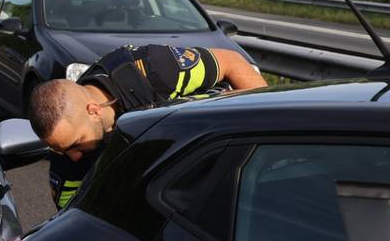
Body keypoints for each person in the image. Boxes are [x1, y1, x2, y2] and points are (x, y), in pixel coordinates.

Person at [29, 45, 267, 209]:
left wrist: (264, 135)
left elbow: (232, 62)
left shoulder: (156, 70)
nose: (73, 156)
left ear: (93, 110)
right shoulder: (66, 139)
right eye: (60, 150)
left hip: (227, 154)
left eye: (76, 144)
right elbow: (70, 210)